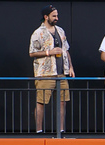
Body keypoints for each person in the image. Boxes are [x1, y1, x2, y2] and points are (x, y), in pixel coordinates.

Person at [29, 5, 75, 133]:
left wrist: (70, 67)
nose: (56, 18)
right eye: (54, 16)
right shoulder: (38, 33)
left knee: (62, 102)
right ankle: (39, 130)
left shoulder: (60, 30)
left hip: (61, 73)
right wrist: (49, 52)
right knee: (41, 102)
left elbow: (66, 50)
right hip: (45, 73)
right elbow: (32, 53)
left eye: (57, 15)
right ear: (46, 16)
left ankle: (60, 130)